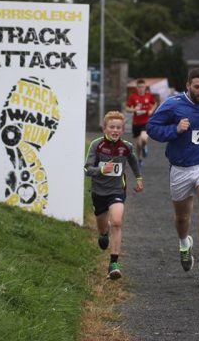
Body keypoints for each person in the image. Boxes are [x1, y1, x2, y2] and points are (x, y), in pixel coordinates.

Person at [147, 68, 199, 282]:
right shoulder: (173, 104)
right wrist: (175, 130)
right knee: (182, 217)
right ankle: (185, 242)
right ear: (188, 85)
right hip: (180, 168)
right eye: (197, 87)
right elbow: (152, 128)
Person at [85, 111, 144, 280]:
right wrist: (101, 170)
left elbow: (133, 160)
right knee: (104, 227)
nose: (115, 130)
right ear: (105, 128)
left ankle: (114, 264)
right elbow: (86, 169)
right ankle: (103, 234)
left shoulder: (126, 147)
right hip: (99, 192)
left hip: (117, 190)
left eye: (119, 127)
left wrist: (138, 178)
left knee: (117, 222)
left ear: (122, 130)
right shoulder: (97, 145)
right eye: (112, 127)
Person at [126, 78, 158, 166]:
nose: (141, 88)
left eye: (142, 87)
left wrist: (151, 110)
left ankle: (145, 146)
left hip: (146, 122)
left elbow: (154, 103)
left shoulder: (149, 96)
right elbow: (127, 108)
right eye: (139, 87)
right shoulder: (133, 97)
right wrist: (134, 109)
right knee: (138, 144)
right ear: (137, 87)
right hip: (136, 123)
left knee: (144, 138)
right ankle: (139, 158)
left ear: (145, 87)